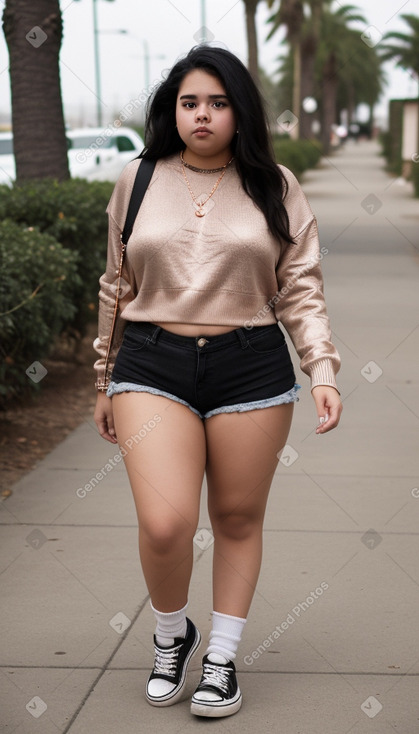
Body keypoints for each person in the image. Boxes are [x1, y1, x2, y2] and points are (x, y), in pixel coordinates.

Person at [93, 45, 342, 719]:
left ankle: (223, 660)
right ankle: (172, 636)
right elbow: (116, 284)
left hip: (249, 364)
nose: (202, 115)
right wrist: (100, 378)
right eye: (188, 102)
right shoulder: (138, 178)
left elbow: (299, 285)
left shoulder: (273, 184)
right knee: (166, 522)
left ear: (240, 110)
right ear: (172, 111)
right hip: (149, 363)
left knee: (235, 516)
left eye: (218, 102)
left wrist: (320, 367)